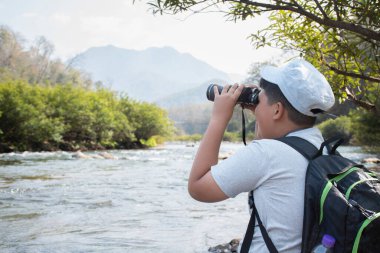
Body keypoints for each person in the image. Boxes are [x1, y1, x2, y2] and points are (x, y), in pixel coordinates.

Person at [188, 59, 335, 253]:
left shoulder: (266, 154)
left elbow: (198, 188)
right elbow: (275, 143)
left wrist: (219, 118)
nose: (256, 104)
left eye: (261, 98)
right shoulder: (324, 149)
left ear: (277, 110)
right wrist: (261, 114)